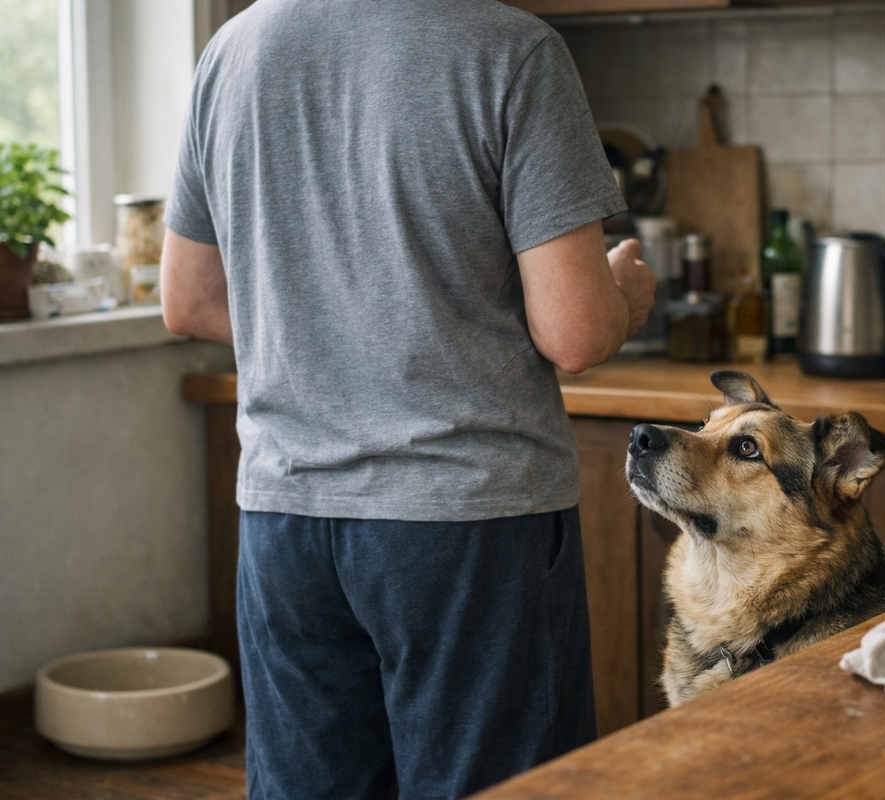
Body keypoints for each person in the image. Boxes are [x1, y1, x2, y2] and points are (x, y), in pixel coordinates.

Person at [159, 1, 657, 799]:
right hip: (466, 523)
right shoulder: (511, 48)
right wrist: (624, 292)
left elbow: (187, 301)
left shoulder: (232, 49)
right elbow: (574, 333)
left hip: (287, 520)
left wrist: (341, 334)